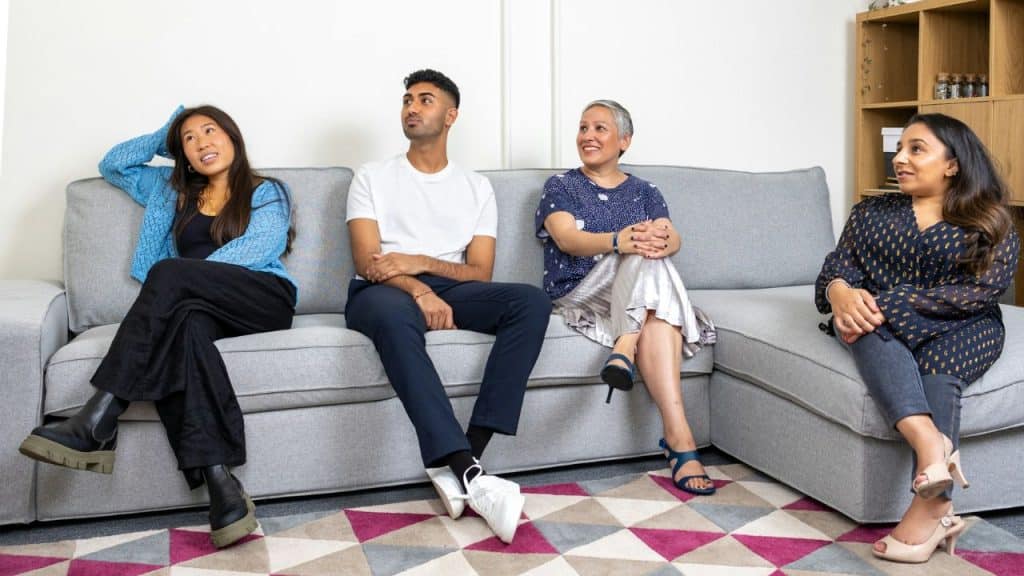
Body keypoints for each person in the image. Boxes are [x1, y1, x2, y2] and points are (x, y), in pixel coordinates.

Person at [19, 105, 297, 549]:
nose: (202, 142)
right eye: (188, 138)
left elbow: (255, 249)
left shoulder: (267, 191)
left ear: (232, 137)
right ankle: (220, 483)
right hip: (196, 307)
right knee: (182, 332)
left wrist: (184, 279)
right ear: (180, 153)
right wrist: (164, 132)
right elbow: (113, 163)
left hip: (261, 298)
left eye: (210, 131)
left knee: (170, 274)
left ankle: (101, 414)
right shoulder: (171, 192)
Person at [344, 69, 551, 544]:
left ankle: (469, 455)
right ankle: (469, 474)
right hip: (380, 290)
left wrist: (421, 265)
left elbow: (479, 271)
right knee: (395, 319)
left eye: (425, 100)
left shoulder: (476, 187)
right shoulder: (371, 176)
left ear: (451, 115)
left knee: (531, 303)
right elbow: (366, 259)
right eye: (407, 100)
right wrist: (417, 288)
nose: (412, 108)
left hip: (448, 285)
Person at [815, 113, 1019, 564]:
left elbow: (982, 290)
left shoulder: (990, 220)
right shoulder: (871, 212)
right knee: (861, 324)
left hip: (963, 323)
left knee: (931, 364)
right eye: (899, 149)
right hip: (878, 322)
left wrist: (888, 303)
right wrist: (841, 293)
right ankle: (933, 452)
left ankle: (929, 511)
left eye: (916, 149)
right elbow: (837, 266)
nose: (899, 159)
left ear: (953, 164)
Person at [536, 100, 717, 496]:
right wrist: (622, 240)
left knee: (651, 259)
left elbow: (671, 237)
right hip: (583, 291)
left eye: (600, 128)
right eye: (583, 128)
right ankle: (681, 445)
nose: (587, 136)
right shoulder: (561, 186)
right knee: (640, 252)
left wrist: (663, 241)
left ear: (624, 140)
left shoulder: (645, 191)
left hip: (634, 293)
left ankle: (675, 429)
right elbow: (568, 239)